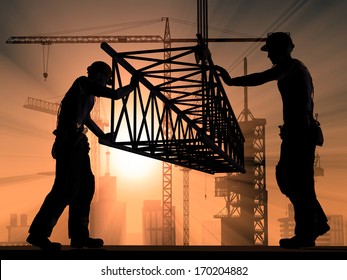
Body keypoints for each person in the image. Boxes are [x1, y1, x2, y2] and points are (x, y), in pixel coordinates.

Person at [215, 32, 329, 249]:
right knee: (297, 181)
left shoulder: (291, 67)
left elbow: (262, 77)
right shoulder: (299, 68)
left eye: (271, 51)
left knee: (294, 180)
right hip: (300, 133)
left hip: (299, 134)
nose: (269, 56)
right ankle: (312, 228)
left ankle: (309, 230)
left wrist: (231, 81)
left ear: (283, 50)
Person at [27, 61, 138, 250]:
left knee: (86, 187)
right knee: (65, 189)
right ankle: (38, 234)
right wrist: (132, 86)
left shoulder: (89, 96)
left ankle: (79, 237)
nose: (105, 84)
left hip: (77, 144)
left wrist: (102, 136)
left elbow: (86, 118)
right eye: (105, 80)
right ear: (98, 76)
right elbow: (115, 95)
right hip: (68, 143)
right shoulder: (82, 83)